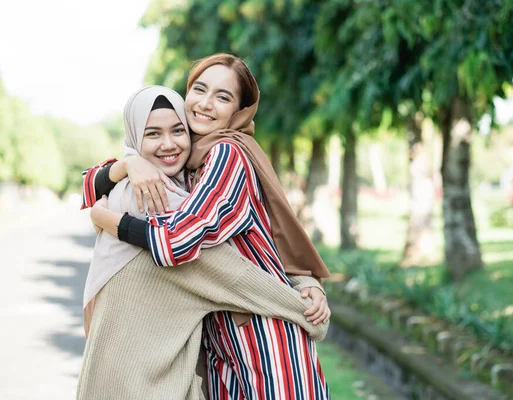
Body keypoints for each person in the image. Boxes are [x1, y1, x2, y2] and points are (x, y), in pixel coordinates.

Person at [88, 53, 331, 399]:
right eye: (199, 89)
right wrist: (129, 165)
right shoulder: (186, 162)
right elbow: (89, 185)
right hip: (222, 344)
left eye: (223, 97)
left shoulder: (226, 155)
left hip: (266, 339)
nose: (205, 103)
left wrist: (110, 221)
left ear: (239, 111)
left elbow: (178, 241)